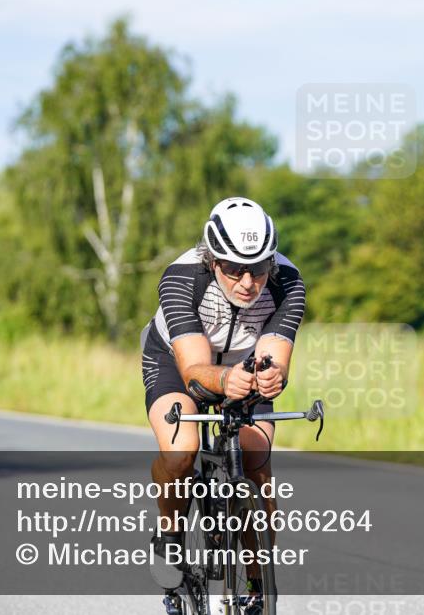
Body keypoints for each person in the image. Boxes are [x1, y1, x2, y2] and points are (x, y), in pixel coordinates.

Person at [141, 197, 305, 613]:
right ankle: (171, 535)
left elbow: (276, 357)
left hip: (243, 363)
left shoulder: (288, 281)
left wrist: (272, 377)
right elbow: (195, 368)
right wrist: (224, 380)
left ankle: (257, 582)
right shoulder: (181, 277)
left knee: (256, 456)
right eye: (234, 269)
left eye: (259, 268)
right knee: (181, 452)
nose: (248, 282)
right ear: (213, 260)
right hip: (178, 361)